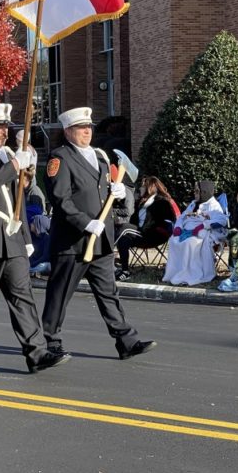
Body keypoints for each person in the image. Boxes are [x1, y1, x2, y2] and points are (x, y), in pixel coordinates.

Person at [0, 103, 70, 376]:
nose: (4, 132)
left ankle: (37, 352)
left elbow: (16, 203)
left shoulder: (7, 154)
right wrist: (15, 165)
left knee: (23, 297)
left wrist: (26, 236)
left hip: (11, 239)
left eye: (6, 127)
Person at [42, 106, 157, 360]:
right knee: (61, 292)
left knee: (109, 292)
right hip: (73, 241)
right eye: (81, 128)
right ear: (68, 131)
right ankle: (51, 341)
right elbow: (61, 201)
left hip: (101, 239)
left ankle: (126, 340)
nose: (87, 132)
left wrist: (117, 195)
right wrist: (85, 223)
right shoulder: (59, 159)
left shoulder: (101, 157)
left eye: (89, 128)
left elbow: (102, 193)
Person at [162, 180, 227, 286]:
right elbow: (182, 217)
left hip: (202, 233)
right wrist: (178, 227)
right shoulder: (193, 204)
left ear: (204, 192)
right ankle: (174, 273)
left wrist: (203, 225)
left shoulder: (214, 205)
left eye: (197, 191)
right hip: (186, 230)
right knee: (173, 240)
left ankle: (190, 274)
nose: (194, 193)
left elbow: (222, 220)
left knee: (190, 243)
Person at [115, 176, 177, 281]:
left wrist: (155, 228)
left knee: (124, 228)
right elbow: (133, 220)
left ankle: (103, 258)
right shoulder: (141, 203)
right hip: (140, 234)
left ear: (150, 187)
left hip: (153, 235)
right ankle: (125, 271)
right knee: (123, 239)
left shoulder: (162, 202)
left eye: (143, 186)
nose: (140, 188)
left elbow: (170, 220)